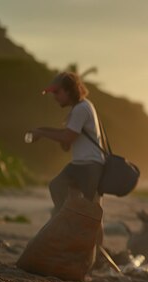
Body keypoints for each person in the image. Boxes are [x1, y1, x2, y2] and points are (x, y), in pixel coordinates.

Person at [27, 72, 105, 215]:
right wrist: (47, 132)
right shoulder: (78, 108)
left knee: (90, 212)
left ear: (70, 91)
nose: (55, 97)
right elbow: (66, 144)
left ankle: (65, 220)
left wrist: (42, 133)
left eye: (57, 92)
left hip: (89, 166)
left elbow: (67, 138)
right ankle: (65, 219)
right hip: (81, 165)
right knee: (57, 187)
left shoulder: (81, 108)